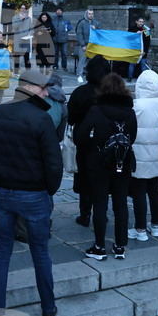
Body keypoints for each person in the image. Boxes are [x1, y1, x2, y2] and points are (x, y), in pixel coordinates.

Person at [0, 69, 63, 316]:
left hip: (5, 191)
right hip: (33, 193)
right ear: (28, 88)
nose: (46, 93)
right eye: (42, 88)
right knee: (40, 252)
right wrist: (48, 190)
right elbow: (54, 163)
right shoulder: (40, 118)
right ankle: (48, 307)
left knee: (2, 252)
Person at [76, 73, 137, 260]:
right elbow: (133, 137)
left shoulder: (96, 110)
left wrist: (93, 145)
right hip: (122, 161)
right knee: (121, 204)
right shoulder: (130, 112)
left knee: (100, 203)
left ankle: (99, 246)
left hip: (99, 162)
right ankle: (119, 245)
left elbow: (80, 137)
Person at [66, 55, 111, 227]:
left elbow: (71, 118)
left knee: (85, 177)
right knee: (104, 178)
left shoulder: (80, 92)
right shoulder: (113, 93)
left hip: (85, 141)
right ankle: (101, 213)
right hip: (107, 141)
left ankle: (85, 214)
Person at [129, 70, 158, 240]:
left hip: (140, 154)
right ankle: (155, 226)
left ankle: (140, 229)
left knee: (139, 192)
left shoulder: (137, 105)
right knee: (155, 190)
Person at [75, 9, 99, 80]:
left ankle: (92, 73)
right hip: (84, 44)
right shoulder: (81, 23)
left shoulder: (96, 23)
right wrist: (83, 45)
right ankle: (79, 74)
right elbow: (79, 34)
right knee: (82, 60)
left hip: (93, 45)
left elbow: (99, 33)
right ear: (86, 14)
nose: (91, 15)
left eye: (92, 14)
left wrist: (95, 30)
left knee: (93, 60)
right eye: (89, 14)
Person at [10, 4, 33, 73]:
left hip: (26, 40)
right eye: (22, 8)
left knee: (26, 57)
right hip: (18, 40)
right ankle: (16, 72)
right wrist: (20, 20)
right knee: (17, 57)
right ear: (19, 9)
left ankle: (28, 73)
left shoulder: (28, 19)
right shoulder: (15, 18)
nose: (23, 9)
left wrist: (30, 34)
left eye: (24, 8)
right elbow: (14, 27)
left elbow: (31, 28)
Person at [127, 17, 151, 82]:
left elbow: (148, 42)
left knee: (142, 64)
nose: (141, 23)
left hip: (143, 50)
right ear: (136, 22)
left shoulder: (146, 30)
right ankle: (129, 78)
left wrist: (145, 51)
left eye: (142, 22)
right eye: (140, 21)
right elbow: (128, 37)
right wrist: (136, 33)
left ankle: (143, 79)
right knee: (131, 64)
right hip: (134, 50)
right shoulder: (132, 28)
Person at [49, 7, 71, 72]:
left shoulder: (66, 18)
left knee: (64, 53)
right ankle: (55, 65)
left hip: (64, 39)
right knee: (55, 53)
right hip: (55, 38)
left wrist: (66, 29)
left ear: (62, 11)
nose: (59, 11)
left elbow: (69, 27)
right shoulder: (53, 18)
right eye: (58, 10)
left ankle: (64, 66)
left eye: (60, 10)